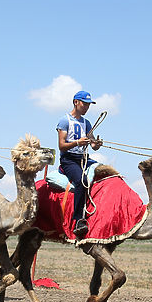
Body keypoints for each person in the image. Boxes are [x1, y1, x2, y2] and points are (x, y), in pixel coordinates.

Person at [56, 90, 103, 238]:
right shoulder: (64, 121)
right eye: (84, 104)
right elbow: (61, 146)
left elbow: (93, 144)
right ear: (76, 102)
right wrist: (77, 142)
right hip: (69, 160)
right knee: (82, 181)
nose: (87, 107)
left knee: (103, 172)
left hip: (84, 158)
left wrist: (97, 144)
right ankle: (78, 220)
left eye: (89, 105)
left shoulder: (86, 123)